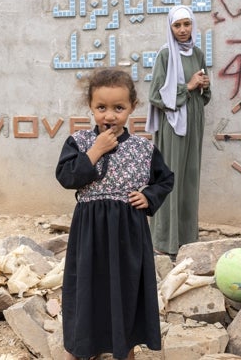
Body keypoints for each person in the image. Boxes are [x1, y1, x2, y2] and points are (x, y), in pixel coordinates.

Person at [56, 68, 174, 360]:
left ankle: (126, 347)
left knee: (126, 289)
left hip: (127, 235)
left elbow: (165, 179)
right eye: (102, 108)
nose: (109, 116)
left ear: (132, 107)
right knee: (88, 288)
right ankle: (84, 348)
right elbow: (66, 177)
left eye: (118, 108)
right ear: (91, 107)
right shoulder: (80, 143)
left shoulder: (143, 149)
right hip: (89, 235)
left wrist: (148, 196)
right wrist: (95, 151)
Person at [145, 5, 211, 257]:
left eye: (187, 24)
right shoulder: (165, 55)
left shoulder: (198, 53)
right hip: (173, 125)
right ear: (170, 28)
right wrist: (189, 86)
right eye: (177, 25)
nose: (183, 30)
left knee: (190, 179)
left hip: (194, 121)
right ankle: (163, 241)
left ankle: (186, 238)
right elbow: (155, 96)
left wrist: (204, 85)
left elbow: (204, 96)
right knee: (170, 179)